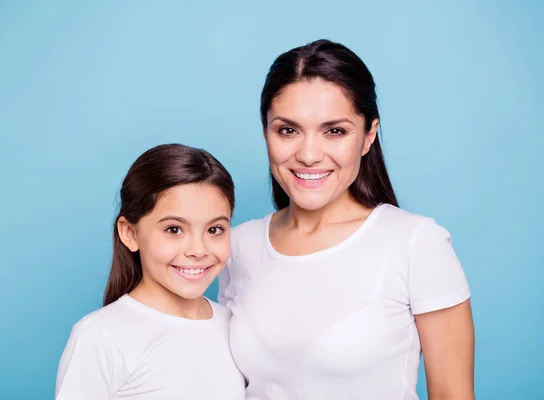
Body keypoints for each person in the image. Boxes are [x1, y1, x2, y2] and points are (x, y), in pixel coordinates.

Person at [219, 39, 475, 399]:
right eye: (287, 130)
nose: (308, 155)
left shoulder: (416, 244)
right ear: (266, 132)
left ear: (369, 136)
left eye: (335, 131)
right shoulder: (237, 245)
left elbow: (453, 393)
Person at [56, 144, 245, 400]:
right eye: (174, 229)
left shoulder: (235, 326)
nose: (198, 250)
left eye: (215, 230)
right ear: (130, 233)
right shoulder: (100, 336)